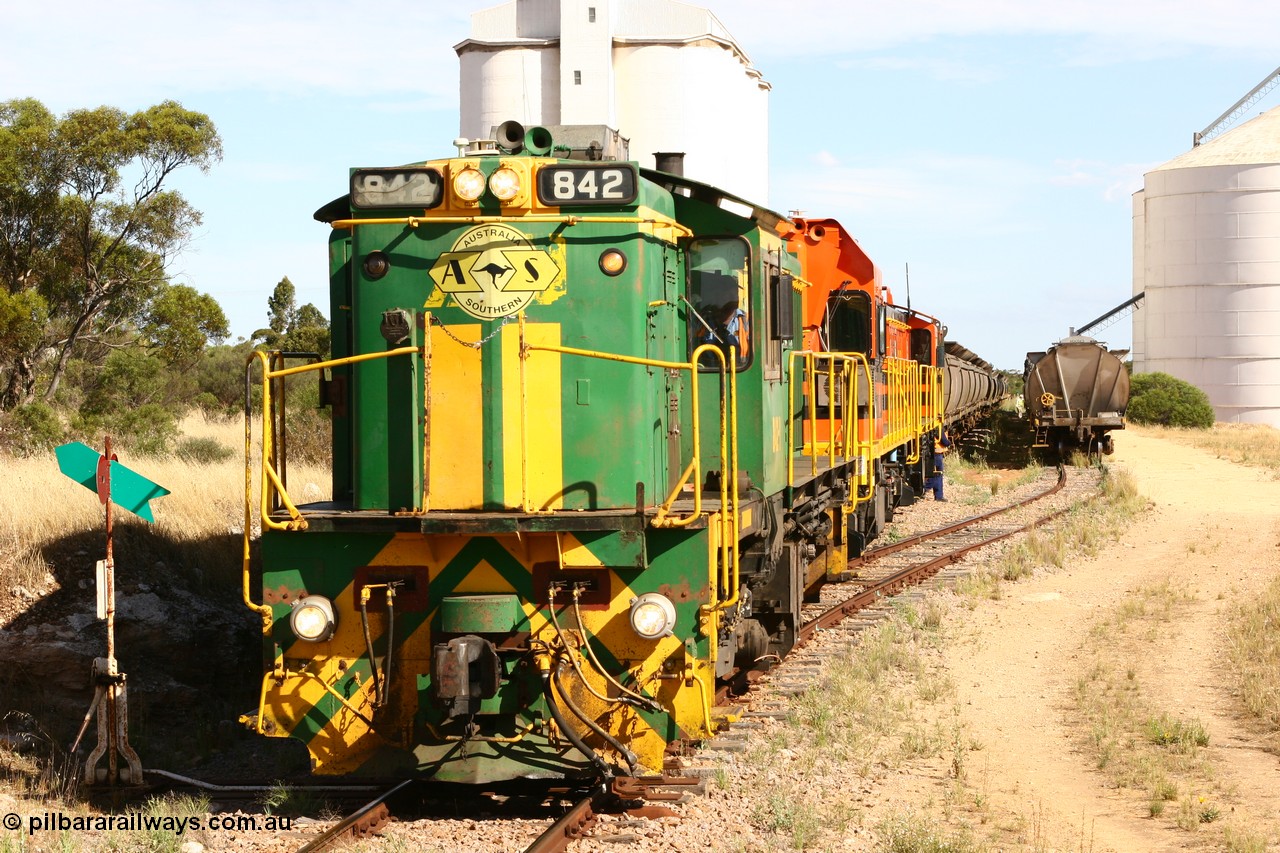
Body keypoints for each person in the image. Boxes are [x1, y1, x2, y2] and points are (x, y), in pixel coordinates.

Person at [927, 429, 952, 501]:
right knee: (938, 474)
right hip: (937, 453)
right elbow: (944, 441)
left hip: (933, 452)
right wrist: (948, 442)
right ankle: (938, 495)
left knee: (934, 473)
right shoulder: (938, 426)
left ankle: (931, 491)